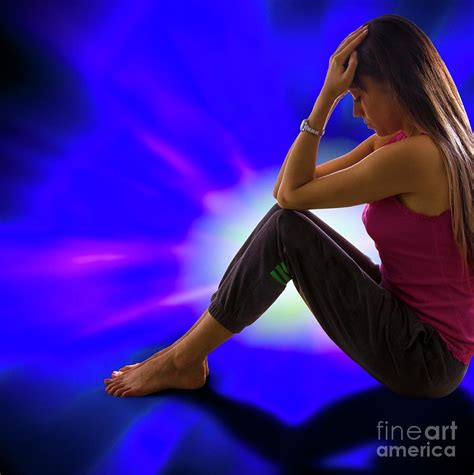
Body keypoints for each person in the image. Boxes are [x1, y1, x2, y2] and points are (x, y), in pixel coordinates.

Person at [104, 14, 473, 399]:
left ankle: (183, 359)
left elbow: (290, 196)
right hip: (413, 326)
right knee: (287, 223)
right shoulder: (418, 142)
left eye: (359, 97)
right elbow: (289, 186)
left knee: (286, 231)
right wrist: (328, 96)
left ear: (395, 85)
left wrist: (325, 99)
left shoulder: (417, 156)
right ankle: (186, 356)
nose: (357, 112)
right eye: (349, 99)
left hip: (422, 355)